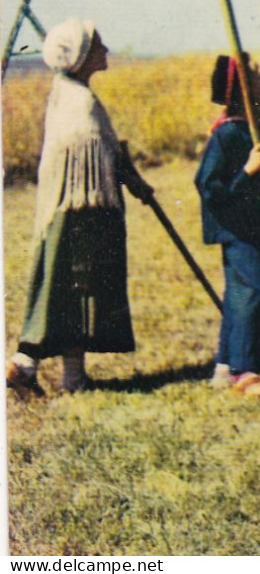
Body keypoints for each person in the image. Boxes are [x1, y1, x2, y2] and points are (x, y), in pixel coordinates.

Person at [6, 20, 151, 397]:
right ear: (82, 55)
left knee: (76, 291)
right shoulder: (79, 101)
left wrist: (131, 175)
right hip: (84, 213)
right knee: (72, 289)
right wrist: (127, 174)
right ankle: (23, 364)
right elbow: (95, 152)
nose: (104, 50)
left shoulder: (69, 93)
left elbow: (106, 148)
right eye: (98, 45)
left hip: (73, 211)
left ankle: (72, 377)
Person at [194, 55, 260, 398]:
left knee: (242, 291)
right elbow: (208, 185)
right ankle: (246, 372)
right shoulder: (227, 134)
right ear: (242, 89)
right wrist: (248, 172)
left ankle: (226, 365)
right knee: (253, 290)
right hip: (238, 227)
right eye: (257, 72)